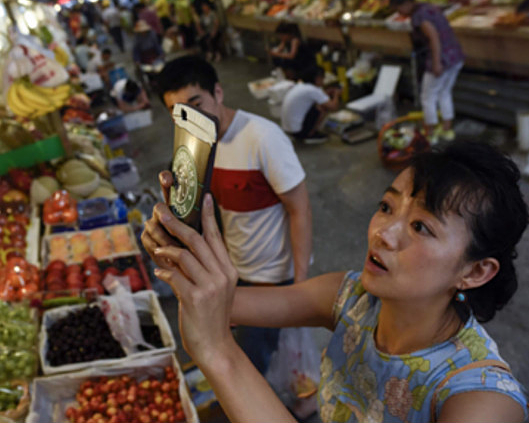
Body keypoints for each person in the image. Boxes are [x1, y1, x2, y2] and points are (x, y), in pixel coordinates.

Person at [143, 141, 529, 422]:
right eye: (386, 207)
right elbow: (221, 301)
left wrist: (218, 352)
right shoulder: (352, 298)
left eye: (420, 227)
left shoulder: (481, 401)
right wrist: (180, 252)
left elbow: (216, 329)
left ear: (475, 271)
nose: (383, 233)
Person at [145, 55, 313, 376]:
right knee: (234, 349)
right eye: (179, 112)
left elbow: (300, 208)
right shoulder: (195, 149)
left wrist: (300, 287)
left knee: (249, 363)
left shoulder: (263, 138)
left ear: (218, 93)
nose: (192, 117)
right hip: (234, 272)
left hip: (272, 277)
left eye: (197, 104)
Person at [392, 0, 464, 144]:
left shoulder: (419, 16)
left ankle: (430, 133)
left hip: (442, 59)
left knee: (428, 97)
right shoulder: (428, 7)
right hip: (455, 56)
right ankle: (446, 129)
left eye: (398, 8)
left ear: (406, 4)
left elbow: (434, 38)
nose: (398, 13)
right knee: (444, 92)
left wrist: (437, 63)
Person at [281, 65, 341, 145]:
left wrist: (327, 92)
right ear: (317, 78)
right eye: (322, 78)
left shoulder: (301, 85)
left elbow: (319, 97)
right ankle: (310, 135)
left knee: (318, 104)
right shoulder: (313, 90)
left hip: (288, 129)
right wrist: (336, 94)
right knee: (323, 108)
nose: (323, 80)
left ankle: (307, 132)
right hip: (298, 132)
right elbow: (333, 107)